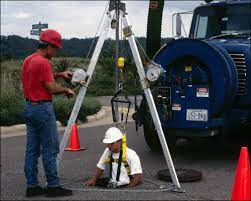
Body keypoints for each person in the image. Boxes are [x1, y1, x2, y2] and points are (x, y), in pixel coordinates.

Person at [22, 29, 75, 197]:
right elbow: (51, 88)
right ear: (49, 46)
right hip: (42, 109)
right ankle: (53, 186)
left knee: (31, 150)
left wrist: (59, 74)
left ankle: (32, 186)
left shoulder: (29, 60)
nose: (56, 52)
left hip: (29, 108)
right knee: (50, 149)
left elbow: (41, 77)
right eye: (56, 48)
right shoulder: (44, 62)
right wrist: (66, 89)